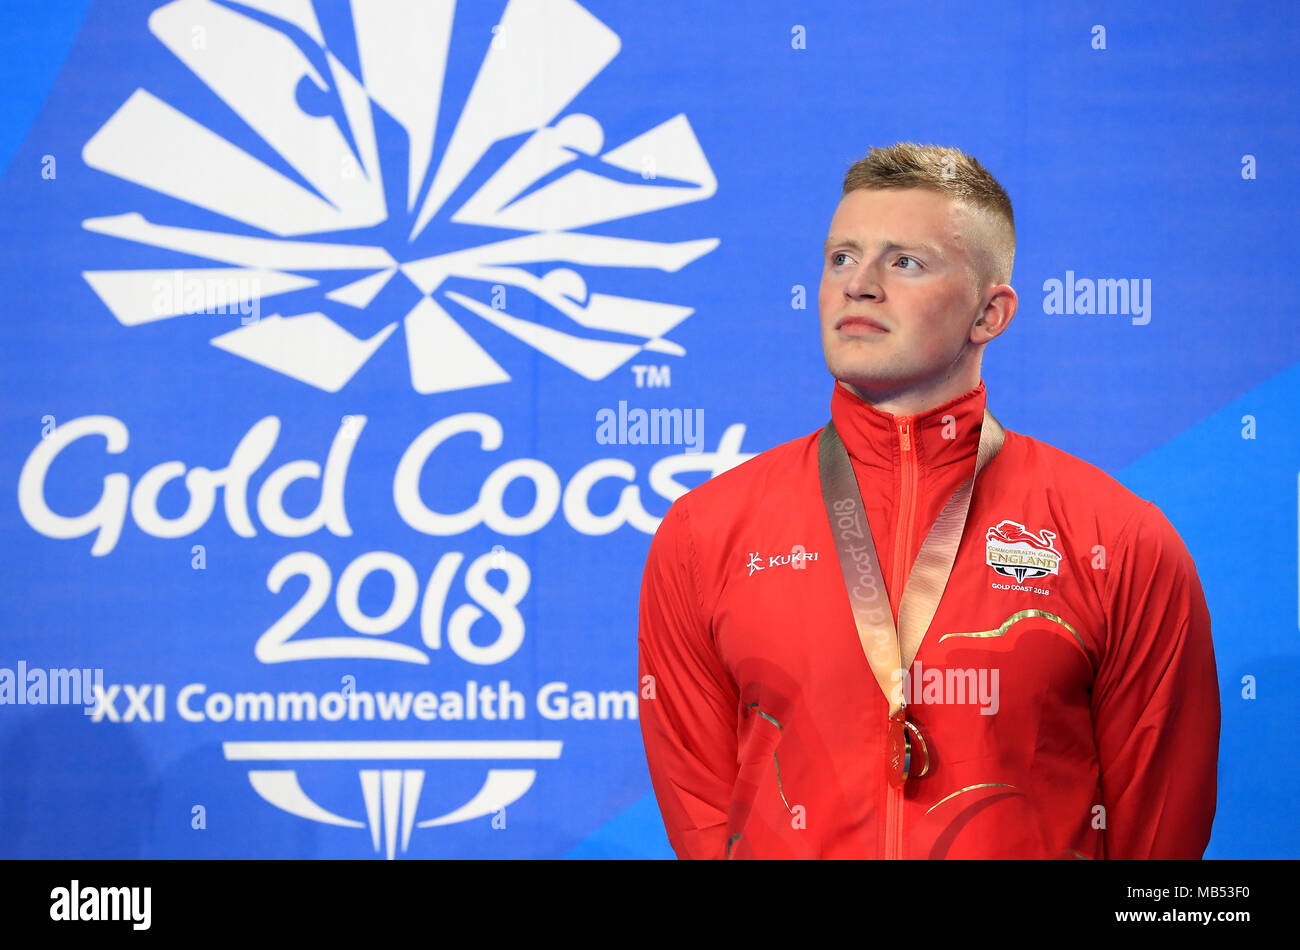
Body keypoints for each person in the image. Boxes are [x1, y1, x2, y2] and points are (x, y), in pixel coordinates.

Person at [636, 142, 1220, 859]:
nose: (859, 285)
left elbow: (1159, 844)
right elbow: (705, 821)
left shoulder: (1118, 539)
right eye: (841, 258)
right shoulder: (706, 533)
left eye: (904, 262)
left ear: (989, 313)